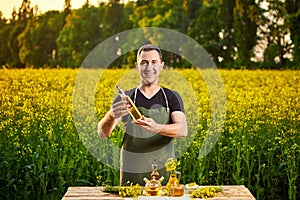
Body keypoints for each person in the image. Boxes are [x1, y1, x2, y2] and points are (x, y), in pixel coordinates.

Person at [97, 44, 188, 186]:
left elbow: (182, 130)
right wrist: (111, 115)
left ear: (161, 66)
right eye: (143, 63)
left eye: (154, 62)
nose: (149, 67)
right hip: (132, 171)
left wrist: (156, 127)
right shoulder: (126, 98)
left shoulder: (171, 97)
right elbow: (102, 133)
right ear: (137, 66)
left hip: (164, 171)